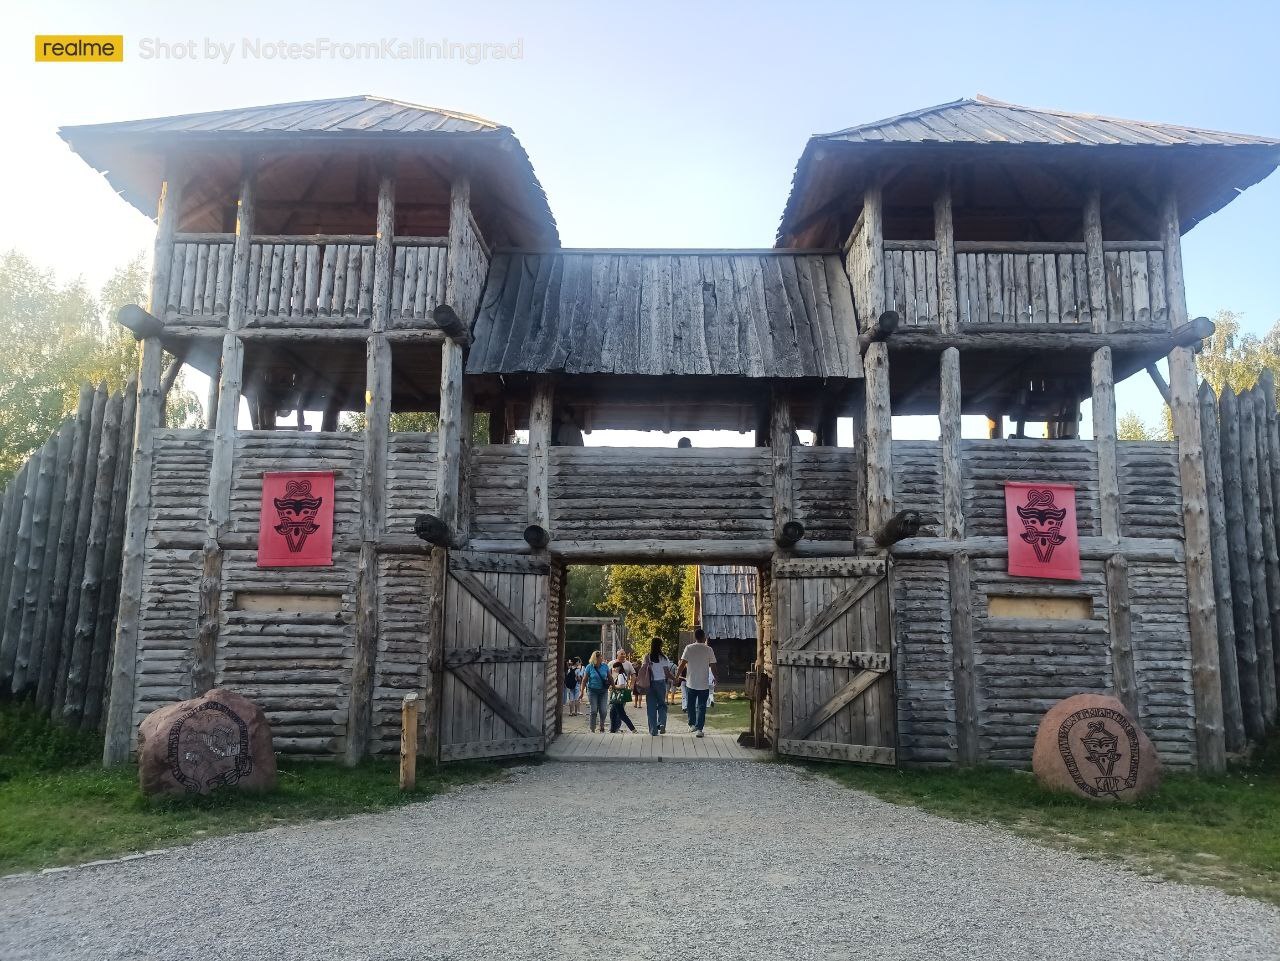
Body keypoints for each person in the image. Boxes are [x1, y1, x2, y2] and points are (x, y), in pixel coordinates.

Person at [678, 628, 717, 738]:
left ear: (695, 637)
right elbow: (713, 665)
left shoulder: (689, 648)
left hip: (691, 682)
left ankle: (692, 725)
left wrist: (677, 676)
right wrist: (715, 677)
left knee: (690, 705)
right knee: (702, 707)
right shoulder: (709, 649)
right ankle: (700, 729)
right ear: (703, 637)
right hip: (703, 683)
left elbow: (682, 664)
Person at [637, 638, 676, 736]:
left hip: (650, 684)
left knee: (651, 707)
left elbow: (644, 670)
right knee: (662, 705)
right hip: (661, 683)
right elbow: (667, 673)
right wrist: (675, 678)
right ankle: (662, 723)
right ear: (660, 646)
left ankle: (653, 730)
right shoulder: (663, 658)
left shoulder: (647, 657)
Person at [583, 651, 612, 733]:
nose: (602, 658)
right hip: (592, 691)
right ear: (596, 658)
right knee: (594, 710)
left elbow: (610, 677)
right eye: (600, 657)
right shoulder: (589, 667)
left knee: (603, 710)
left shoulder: (605, 666)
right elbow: (584, 680)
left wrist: (614, 687)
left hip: (603, 691)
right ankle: (592, 728)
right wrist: (582, 691)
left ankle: (602, 725)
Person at [608, 659, 636, 733]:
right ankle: (613, 729)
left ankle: (633, 729)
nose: (614, 669)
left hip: (618, 697)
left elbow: (622, 686)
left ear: (619, 667)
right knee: (613, 712)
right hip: (619, 697)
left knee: (622, 715)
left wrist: (613, 686)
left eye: (615, 667)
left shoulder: (620, 675)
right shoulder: (623, 674)